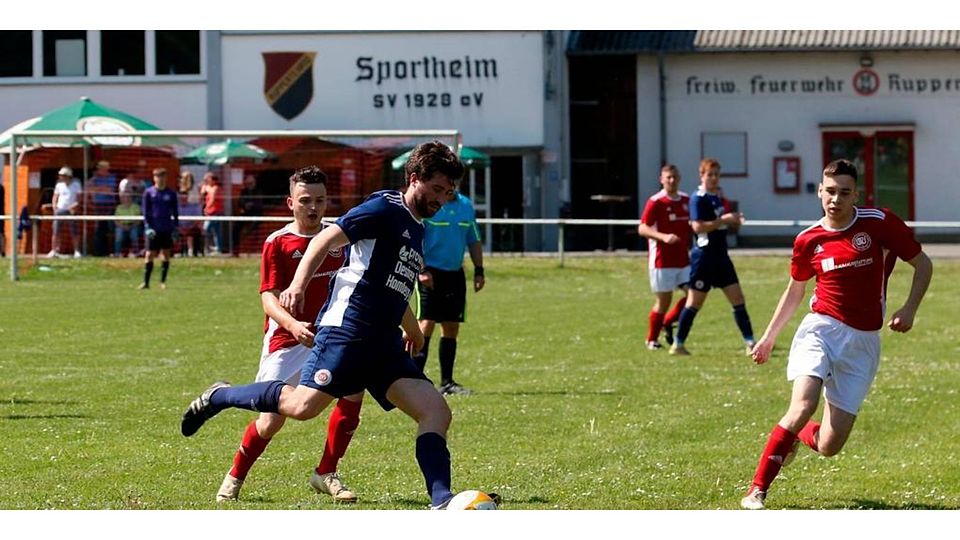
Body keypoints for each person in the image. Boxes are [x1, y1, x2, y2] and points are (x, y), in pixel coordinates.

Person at [181, 140, 469, 509]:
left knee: (436, 411)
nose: (441, 199)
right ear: (414, 179)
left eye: (447, 192)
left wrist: (411, 327)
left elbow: (390, 285)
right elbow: (327, 238)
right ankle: (220, 395)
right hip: (348, 331)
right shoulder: (385, 207)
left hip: (383, 344)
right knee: (302, 408)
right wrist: (298, 284)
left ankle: (441, 501)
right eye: (436, 190)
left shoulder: (417, 228)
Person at [740, 159, 933, 510]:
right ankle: (757, 490)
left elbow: (923, 264)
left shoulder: (879, 223)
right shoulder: (808, 239)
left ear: (855, 194)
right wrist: (768, 338)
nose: (836, 199)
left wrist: (909, 309)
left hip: (863, 342)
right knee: (803, 403)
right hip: (821, 329)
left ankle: (799, 435)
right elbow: (795, 291)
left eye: (844, 192)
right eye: (830, 191)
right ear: (819, 192)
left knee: (829, 445)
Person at [217, 166, 362, 503]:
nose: (314, 207)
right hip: (287, 342)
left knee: (354, 392)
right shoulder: (278, 242)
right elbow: (268, 298)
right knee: (271, 422)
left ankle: (326, 471)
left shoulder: (339, 239)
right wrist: (294, 326)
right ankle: (236, 474)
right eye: (306, 200)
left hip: (331, 337)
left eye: (321, 200)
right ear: (290, 203)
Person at [669, 158, 755, 356]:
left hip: (721, 257)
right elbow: (697, 227)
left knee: (738, 299)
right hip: (704, 259)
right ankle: (678, 343)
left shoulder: (717, 197)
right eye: (710, 174)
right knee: (694, 303)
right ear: (702, 176)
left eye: (717, 174)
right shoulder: (697, 198)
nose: (714, 178)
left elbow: (718, 224)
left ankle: (750, 343)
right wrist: (723, 220)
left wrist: (733, 221)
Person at [411, 180, 485, 395]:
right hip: (430, 272)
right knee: (426, 324)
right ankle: (414, 380)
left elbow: (474, 239)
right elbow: (416, 238)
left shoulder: (466, 206)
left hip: (455, 274)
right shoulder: (432, 205)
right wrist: (422, 269)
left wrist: (479, 270)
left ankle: (447, 382)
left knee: (451, 326)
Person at [636, 164, 691, 350]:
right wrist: (663, 237)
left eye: (675, 177)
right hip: (662, 261)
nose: (672, 180)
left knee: (694, 296)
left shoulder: (686, 200)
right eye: (668, 177)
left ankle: (668, 322)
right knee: (664, 301)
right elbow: (642, 228)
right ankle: (652, 339)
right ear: (662, 179)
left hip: (683, 259)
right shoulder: (656, 202)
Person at [139, 168, 179, 290]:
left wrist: (175, 228)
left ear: (166, 178)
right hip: (153, 229)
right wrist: (147, 227)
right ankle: (146, 282)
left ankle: (163, 282)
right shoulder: (149, 193)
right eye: (158, 176)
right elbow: (145, 212)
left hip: (166, 228)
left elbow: (175, 212)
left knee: (166, 254)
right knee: (149, 254)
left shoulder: (171, 193)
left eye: (162, 176)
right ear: (154, 178)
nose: (160, 179)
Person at [48, 166, 83, 258]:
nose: (60, 177)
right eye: (60, 175)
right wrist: (54, 206)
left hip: (72, 211)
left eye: (62, 175)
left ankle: (76, 251)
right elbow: (55, 196)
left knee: (74, 231)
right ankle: (54, 250)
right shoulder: (59, 185)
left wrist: (75, 205)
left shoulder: (76, 185)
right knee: (56, 231)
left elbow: (79, 198)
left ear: (68, 176)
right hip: (60, 210)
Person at [88, 160, 118, 256]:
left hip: (109, 205)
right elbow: (88, 188)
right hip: (98, 205)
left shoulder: (111, 178)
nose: (100, 170)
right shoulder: (94, 179)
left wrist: (97, 189)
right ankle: (99, 252)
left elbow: (109, 190)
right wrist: (100, 187)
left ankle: (112, 251)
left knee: (110, 228)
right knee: (99, 229)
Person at [232, 174, 264, 256]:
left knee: (253, 229)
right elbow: (240, 202)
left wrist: (252, 204)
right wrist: (245, 204)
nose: (249, 185)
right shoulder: (244, 191)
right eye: (248, 183)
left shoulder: (258, 191)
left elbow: (260, 204)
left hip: (256, 214)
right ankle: (235, 251)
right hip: (246, 214)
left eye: (251, 183)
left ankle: (254, 250)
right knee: (235, 228)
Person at [177, 171, 203, 257]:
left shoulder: (194, 189)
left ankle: (192, 251)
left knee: (192, 232)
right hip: (183, 218)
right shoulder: (181, 190)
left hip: (193, 212)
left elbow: (197, 202)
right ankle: (183, 251)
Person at [200, 172, 224, 255]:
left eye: (208, 179)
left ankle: (213, 247)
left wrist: (206, 208)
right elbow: (202, 195)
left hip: (215, 212)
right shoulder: (207, 188)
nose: (207, 180)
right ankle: (215, 247)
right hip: (209, 212)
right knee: (214, 231)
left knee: (207, 229)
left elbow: (212, 200)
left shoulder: (215, 188)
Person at [113, 192, 141, 257]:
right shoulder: (119, 207)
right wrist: (123, 226)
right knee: (119, 234)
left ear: (131, 198)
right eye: (125, 197)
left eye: (129, 197)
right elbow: (116, 221)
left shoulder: (136, 207)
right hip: (121, 226)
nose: (127, 199)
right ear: (122, 199)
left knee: (134, 234)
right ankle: (117, 253)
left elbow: (139, 220)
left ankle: (135, 252)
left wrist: (131, 226)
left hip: (133, 225)